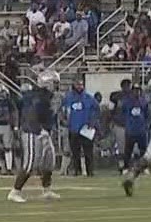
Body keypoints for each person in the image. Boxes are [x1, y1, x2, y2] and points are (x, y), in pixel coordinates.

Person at [8, 71, 62, 203]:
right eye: (54, 83)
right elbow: (31, 115)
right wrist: (40, 130)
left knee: (49, 162)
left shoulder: (47, 96)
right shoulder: (37, 97)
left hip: (43, 131)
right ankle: (15, 191)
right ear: (47, 83)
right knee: (30, 163)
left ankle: (47, 190)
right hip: (33, 131)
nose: (56, 86)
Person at [63, 80, 99, 177]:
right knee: (75, 152)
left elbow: (96, 110)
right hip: (73, 129)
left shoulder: (89, 98)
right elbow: (63, 111)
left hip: (86, 129)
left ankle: (90, 171)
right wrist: (64, 120)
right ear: (73, 85)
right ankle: (77, 170)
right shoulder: (68, 98)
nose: (79, 86)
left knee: (88, 152)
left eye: (81, 84)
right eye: (77, 84)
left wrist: (93, 122)